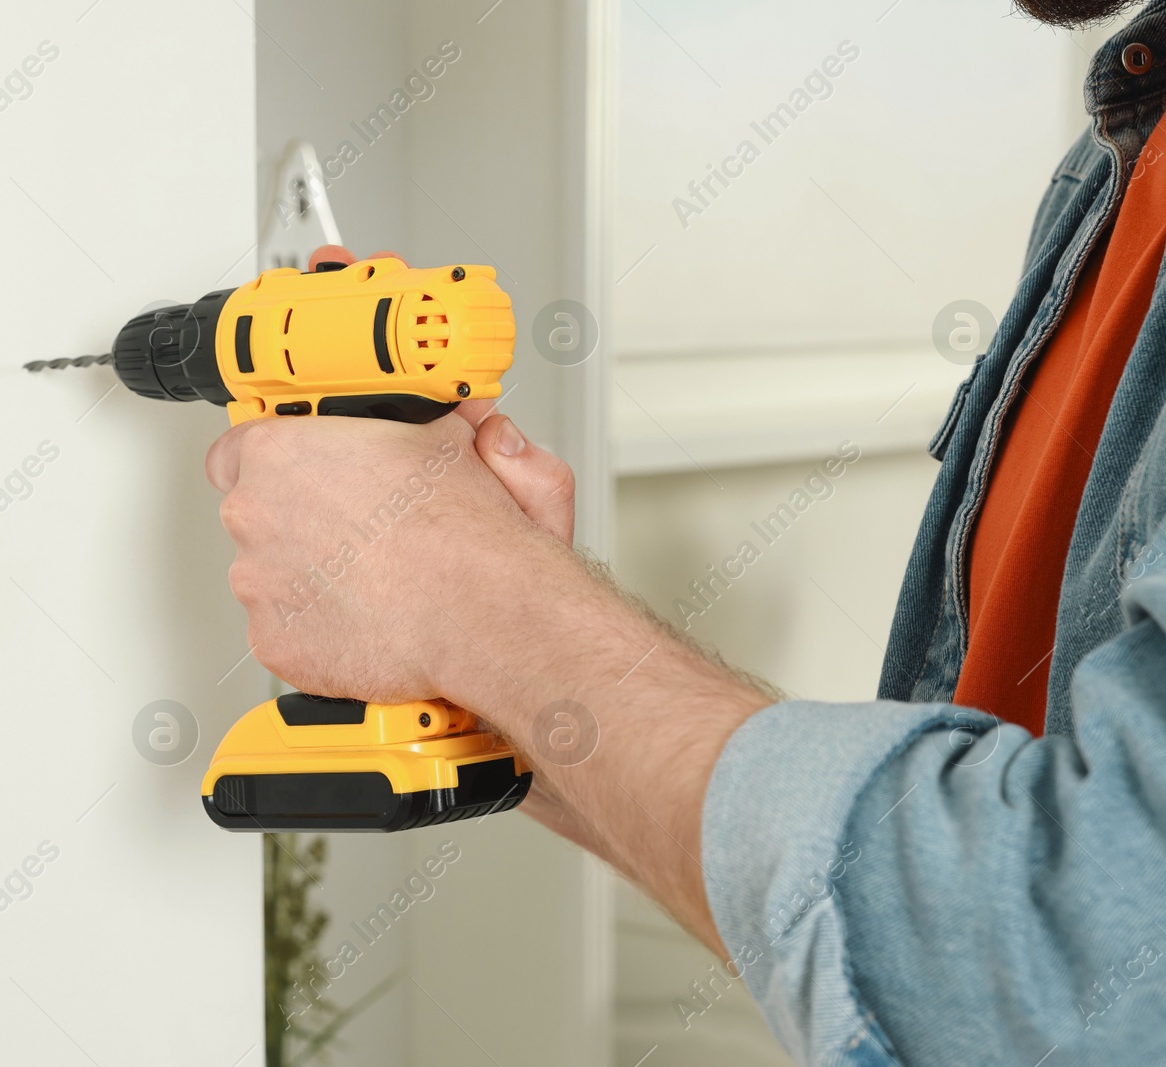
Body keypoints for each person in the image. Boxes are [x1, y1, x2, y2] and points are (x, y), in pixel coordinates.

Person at [207, 2, 1166, 1062]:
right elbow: (913, 914)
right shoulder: (1122, 155)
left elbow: (1077, 968)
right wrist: (501, 673)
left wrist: (457, 580)